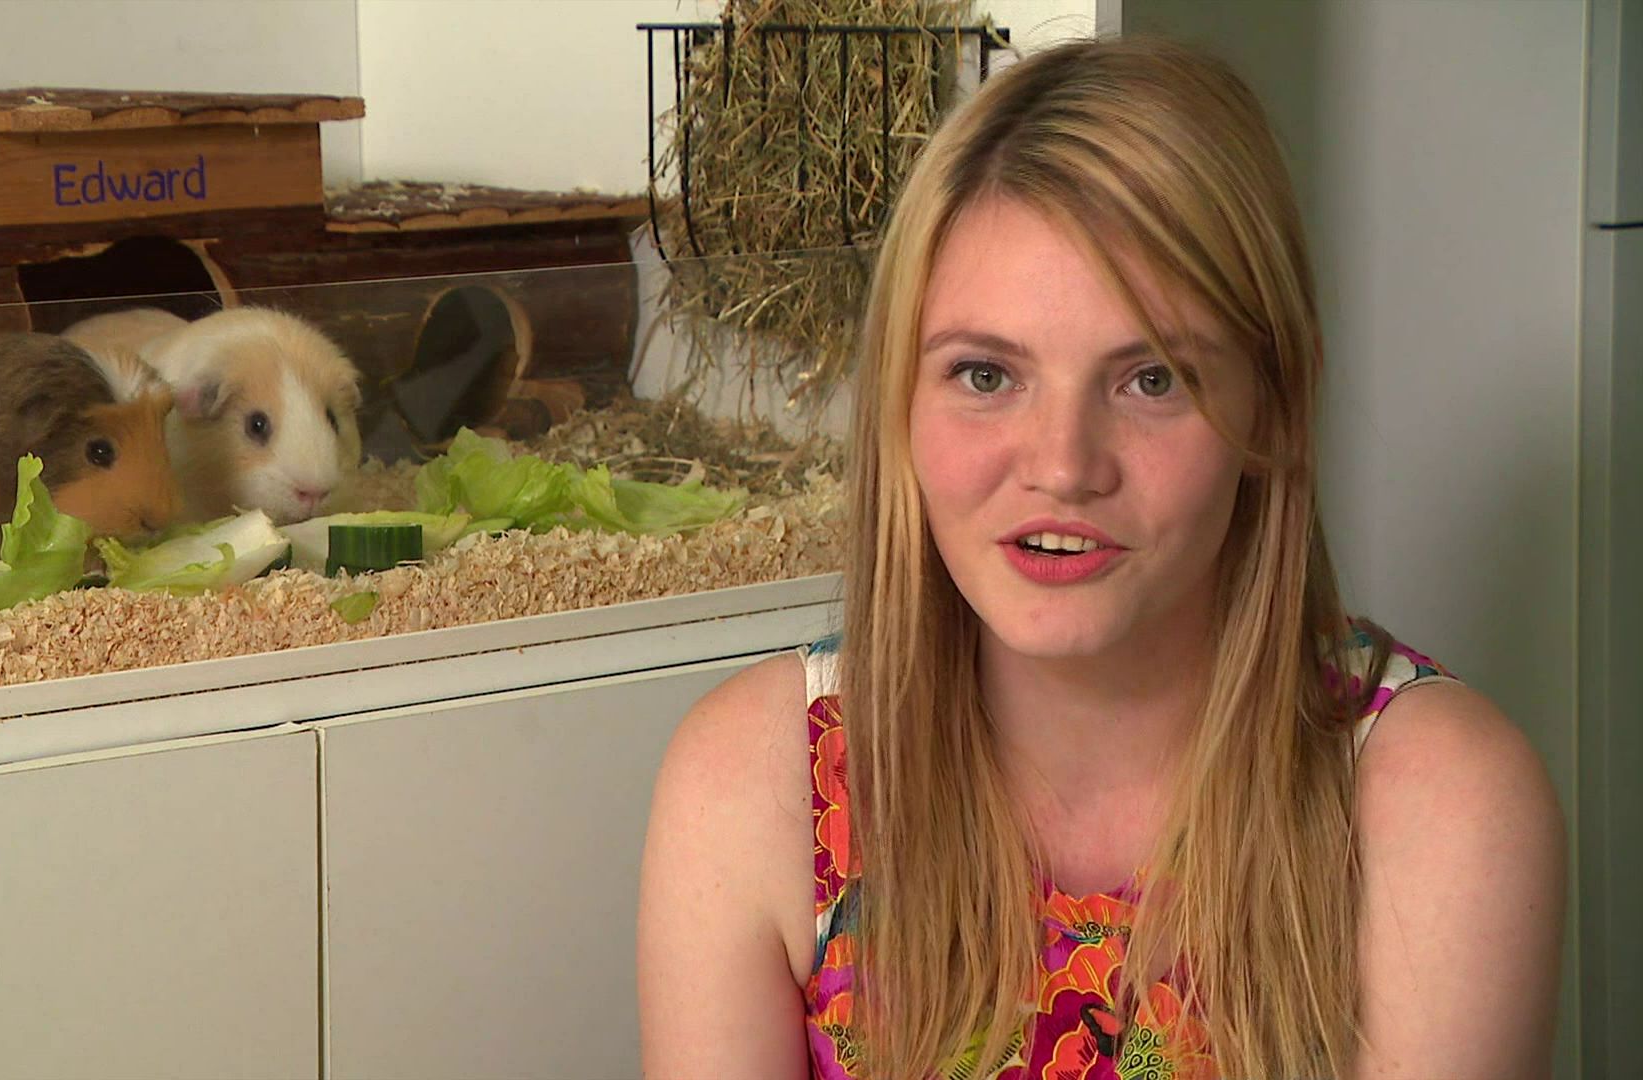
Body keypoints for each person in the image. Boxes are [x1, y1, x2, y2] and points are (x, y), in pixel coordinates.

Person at [636, 35, 1564, 1080]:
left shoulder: (1436, 806)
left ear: (1278, 406)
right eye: (986, 375)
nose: (1063, 468)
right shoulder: (758, 785)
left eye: (1151, 379)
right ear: (898, 401)